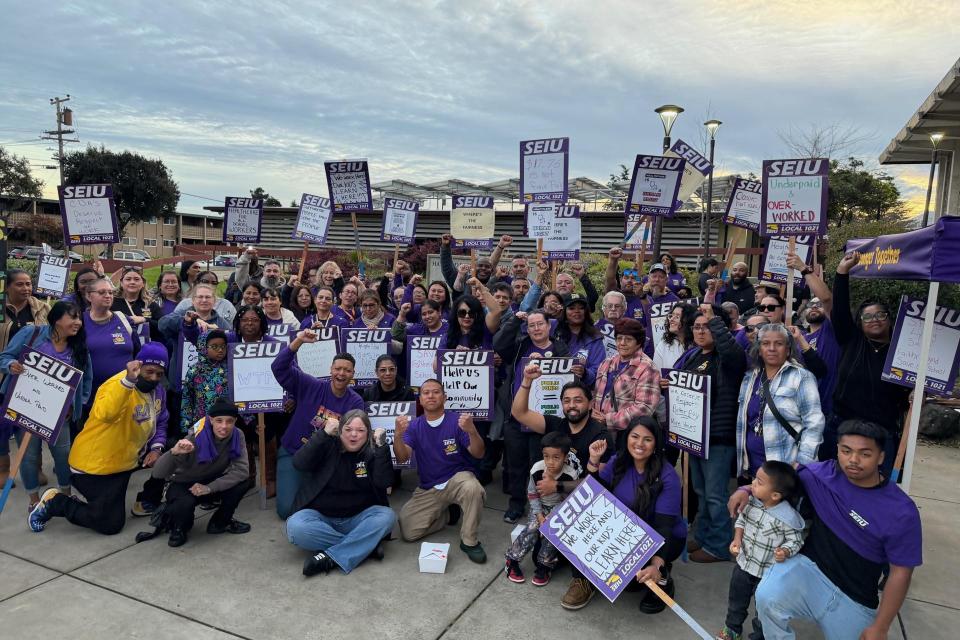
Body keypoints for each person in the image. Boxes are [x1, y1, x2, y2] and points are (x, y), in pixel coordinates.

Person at [730, 420, 922, 640]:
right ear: (837, 449)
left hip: (855, 597)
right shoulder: (821, 475)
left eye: (865, 454)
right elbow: (778, 479)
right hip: (808, 572)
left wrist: (881, 627)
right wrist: (745, 489)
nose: (853, 460)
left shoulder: (901, 511)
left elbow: (901, 573)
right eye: (846, 451)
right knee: (767, 594)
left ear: (881, 457)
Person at [28, 343, 170, 535]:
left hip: (125, 462)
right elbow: (106, 414)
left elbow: (161, 420)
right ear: (138, 365)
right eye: (149, 371)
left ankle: (146, 500)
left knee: (176, 452)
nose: (154, 378)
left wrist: (156, 449)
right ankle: (56, 502)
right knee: (110, 524)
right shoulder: (117, 384)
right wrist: (128, 382)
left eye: (159, 374)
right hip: (94, 466)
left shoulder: (158, 391)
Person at [567, 417, 686, 612]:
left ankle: (664, 576)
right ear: (627, 438)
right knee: (630, 587)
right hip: (627, 532)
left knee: (649, 573)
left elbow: (664, 527)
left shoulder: (667, 476)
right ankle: (582, 581)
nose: (639, 444)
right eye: (635, 436)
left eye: (647, 439)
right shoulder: (618, 461)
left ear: (656, 443)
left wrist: (656, 565)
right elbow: (593, 495)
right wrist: (594, 461)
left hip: (663, 537)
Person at [822, 253, 909, 476]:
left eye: (881, 314)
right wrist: (842, 272)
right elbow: (839, 309)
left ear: (890, 319)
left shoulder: (904, 352)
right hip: (841, 426)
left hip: (881, 432)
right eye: (868, 316)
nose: (875, 319)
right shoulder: (852, 340)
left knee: (875, 489)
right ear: (860, 323)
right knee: (833, 483)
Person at [0, 301, 93, 510]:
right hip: (25, 410)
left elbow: (86, 380)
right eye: (73, 317)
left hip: (60, 416)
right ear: (57, 319)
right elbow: (4, 357)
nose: (78, 322)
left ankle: (65, 497)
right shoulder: (31, 334)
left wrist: (77, 404)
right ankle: (34, 502)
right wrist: (10, 366)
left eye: (80, 318)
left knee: (63, 456)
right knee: (28, 457)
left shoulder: (79, 348)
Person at [285, 409, 396, 576]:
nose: (353, 435)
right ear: (340, 430)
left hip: (358, 519)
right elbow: (299, 464)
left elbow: (384, 482)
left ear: (368, 434)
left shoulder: (372, 452)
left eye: (360, 431)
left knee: (387, 516)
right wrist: (322, 434)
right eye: (348, 429)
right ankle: (365, 547)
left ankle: (333, 556)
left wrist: (382, 447)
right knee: (295, 527)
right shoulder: (326, 445)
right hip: (322, 518)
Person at [675, 304, 746, 564]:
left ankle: (719, 545)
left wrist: (715, 317)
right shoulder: (693, 356)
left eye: (707, 326)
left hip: (718, 438)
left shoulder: (730, 357)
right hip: (695, 437)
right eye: (696, 326)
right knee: (702, 492)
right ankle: (703, 536)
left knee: (716, 496)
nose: (701, 331)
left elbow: (729, 349)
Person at [272, 332, 365, 519]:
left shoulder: (355, 402)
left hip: (325, 459)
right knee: (286, 510)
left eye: (347, 370)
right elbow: (279, 368)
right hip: (293, 452)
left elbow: (352, 438)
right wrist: (298, 342)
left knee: (331, 506)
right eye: (338, 368)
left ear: (353, 374)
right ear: (331, 369)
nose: (341, 374)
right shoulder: (310, 385)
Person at [394, 379, 488, 563]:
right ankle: (448, 513)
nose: (431, 395)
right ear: (420, 399)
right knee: (408, 530)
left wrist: (472, 431)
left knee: (472, 487)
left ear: (444, 397)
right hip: (429, 487)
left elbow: (478, 453)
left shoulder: (457, 421)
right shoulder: (414, 426)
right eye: (426, 392)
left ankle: (469, 541)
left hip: (456, 480)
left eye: (436, 392)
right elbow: (402, 458)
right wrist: (397, 435)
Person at [494, 308, 569, 523]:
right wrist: (513, 323)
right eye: (532, 325)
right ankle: (516, 504)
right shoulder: (520, 346)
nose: (536, 329)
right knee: (516, 466)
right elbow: (499, 345)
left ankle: (542, 507)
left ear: (549, 326)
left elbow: (569, 377)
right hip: (517, 419)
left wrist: (549, 361)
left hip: (543, 421)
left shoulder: (560, 349)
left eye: (540, 324)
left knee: (540, 466)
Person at [717, 461, 804, 640]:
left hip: (768, 573)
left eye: (759, 482)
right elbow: (741, 520)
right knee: (736, 600)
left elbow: (795, 540)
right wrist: (737, 539)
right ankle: (732, 629)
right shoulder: (751, 503)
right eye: (755, 478)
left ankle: (760, 635)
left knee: (763, 608)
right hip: (744, 564)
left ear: (775, 495)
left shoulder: (787, 517)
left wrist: (786, 551)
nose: (753, 483)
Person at [149, 398, 251, 547]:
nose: (224, 426)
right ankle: (179, 527)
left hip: (210, 481)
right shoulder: (194, 438)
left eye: (229, 421)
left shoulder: (237, 435)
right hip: (184, 483)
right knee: (183, 506)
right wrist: (174, 452)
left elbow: (242, 471)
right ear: (210, 420)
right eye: (219, 420)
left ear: (235, 421)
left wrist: (210, 488)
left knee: (242, 482)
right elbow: (157, 473)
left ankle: (220, 522)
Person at [736, 324, 824, 479]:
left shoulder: (801, 377)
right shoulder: (749, 378)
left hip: (786, 468)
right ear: (759, 350)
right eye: (765, 343)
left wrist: (802, 463)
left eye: (779, 343)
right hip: (752, 467)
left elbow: (814, 424)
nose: (772, 348)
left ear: (788, 349)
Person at [504, 431, 578, 586]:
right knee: (531, 529)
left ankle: (544, 566)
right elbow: (532, 494)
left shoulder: (570, 475)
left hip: (558, 510)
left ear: (565, 457)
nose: (550, 462)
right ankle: (512, 559)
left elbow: (569, 500)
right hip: (539, 507)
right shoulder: (537, 469)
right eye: (546, 456)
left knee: (553, 534)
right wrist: (539, 516)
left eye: (556, 457)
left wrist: (552, 516)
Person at [512, 364, 612, 476]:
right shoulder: (555, 424)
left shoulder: (601, 435)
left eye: (578, 400)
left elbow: (598, 482)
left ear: (590, 404)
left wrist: (557, 487)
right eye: (566, 401)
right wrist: (527, 380)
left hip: (581, 492)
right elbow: (519, 413)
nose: (572, 405)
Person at [83, 277, 143, 421]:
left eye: (110, 292)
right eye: (102, 292)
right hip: (91, 398)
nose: (108, 296)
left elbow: (137, 351)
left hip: (124, 394)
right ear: (88, 295)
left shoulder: (123, 320)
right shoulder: (79, 321)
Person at [591, 318, 660, 440]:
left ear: (638, 343)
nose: (622, 343)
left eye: (628, 339)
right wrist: (591, 411)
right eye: (619, 338)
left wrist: (608, 420)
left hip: (626, 436)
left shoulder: (648, 368)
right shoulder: (607, 362)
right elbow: (596, 394)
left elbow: (644, 408)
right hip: (598, 431)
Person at [554, 293, 605, 387]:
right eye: (571, 308)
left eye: (581, 308)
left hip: (583, 393)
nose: (577, 311)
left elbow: (600, 372)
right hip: (552, 389)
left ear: (586, 311)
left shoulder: (595, 338)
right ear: (564, 311)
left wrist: (585, 373)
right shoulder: (554, 332)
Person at [1, 269, 50, 348]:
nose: (26, 288)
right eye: (19, 284)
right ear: (6, 287)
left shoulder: (43, 308)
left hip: (31, 358)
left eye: (28, 284)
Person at [640, 262, 681, 356]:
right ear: (648, 278)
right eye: (654, 276)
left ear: (666, 280)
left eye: (661, 277)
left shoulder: (674, 300)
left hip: (666, 349)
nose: (657, 280)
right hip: (643, 349)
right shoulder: (641, 295)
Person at [604, 247, 645, 321]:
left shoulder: (645, 300)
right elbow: (610, 279)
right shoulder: (614, 295)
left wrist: (642, 295)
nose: (629, 280)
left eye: (633, 278)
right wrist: (613, 260)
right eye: (626, 278)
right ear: (620, 280)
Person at [653, 302, 696, 372]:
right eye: (671, 315)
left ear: (688, 320)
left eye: (677, 317)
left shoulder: (699, 344)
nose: (671, 319)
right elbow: (656, 375)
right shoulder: (663, 345)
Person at [595, 291, 626, 359]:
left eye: (617, 306)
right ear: (604, 308)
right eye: (609, 306)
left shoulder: (631, 330)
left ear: (624, 309)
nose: (613, 309)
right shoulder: (593, 329)